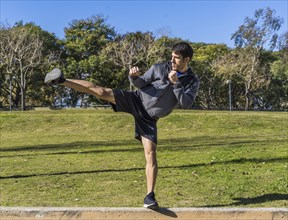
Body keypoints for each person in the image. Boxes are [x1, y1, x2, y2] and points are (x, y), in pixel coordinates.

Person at [44, 41, 200, 209]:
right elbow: (140, 83)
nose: (172, 61)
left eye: (176, 58)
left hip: (149, 119)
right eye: (171, 57)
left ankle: (149, 197)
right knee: (102, 92)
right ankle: (61, 80)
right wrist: (133, 76)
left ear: (187, 60)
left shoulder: (192, 81)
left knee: (151, 154)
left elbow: (186, 103)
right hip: (136, 99)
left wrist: (176, 83)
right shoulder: (159, 67)